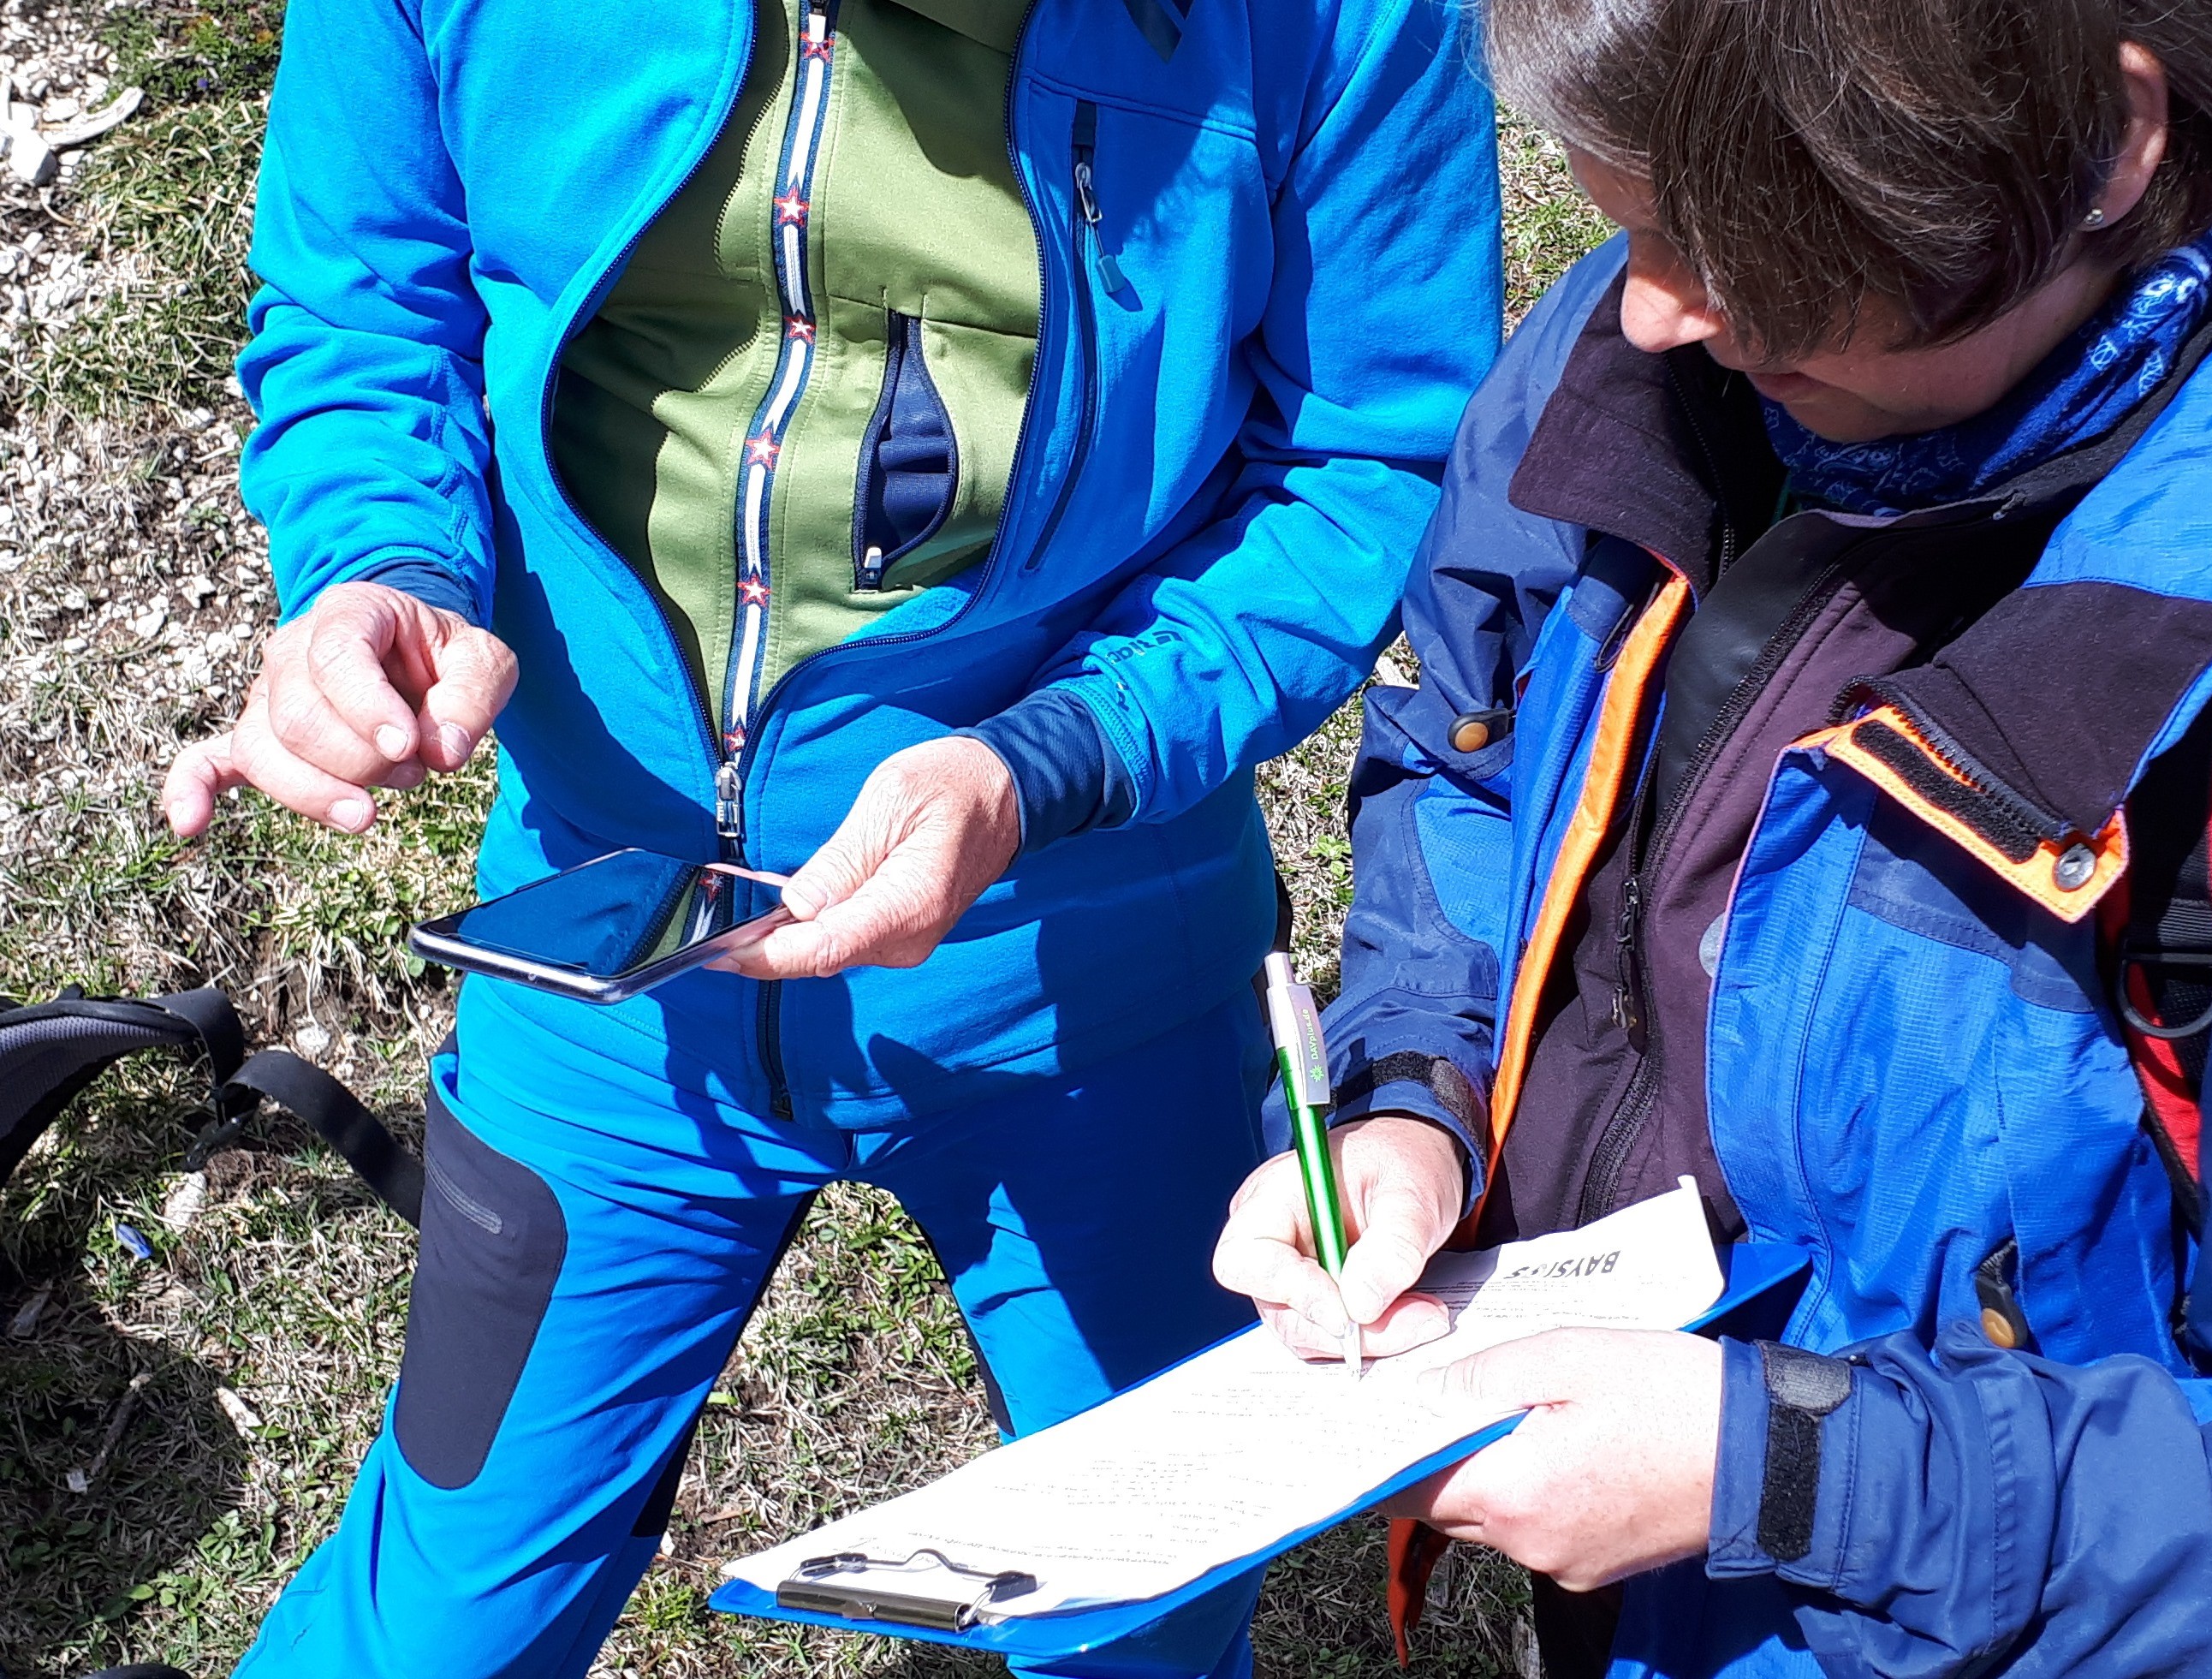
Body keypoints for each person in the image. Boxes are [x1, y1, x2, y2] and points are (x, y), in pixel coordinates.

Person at [1214, 1, 2212, 1674]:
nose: (1649, 305)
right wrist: (1413, 1094)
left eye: (1726, 232)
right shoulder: (1690, 345)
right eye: (1627, 219)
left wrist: (1786, 1466)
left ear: (2107, 145)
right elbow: (1475, 746)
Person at [154, 0, 1500, 1670]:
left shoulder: (1333, 22)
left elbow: (1367, 458)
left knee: (1147, 1627)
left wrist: (1042, 766)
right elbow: (362, 303)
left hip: (1088, 976)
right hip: (612, 961)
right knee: (433, 1627)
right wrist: (381, 569)